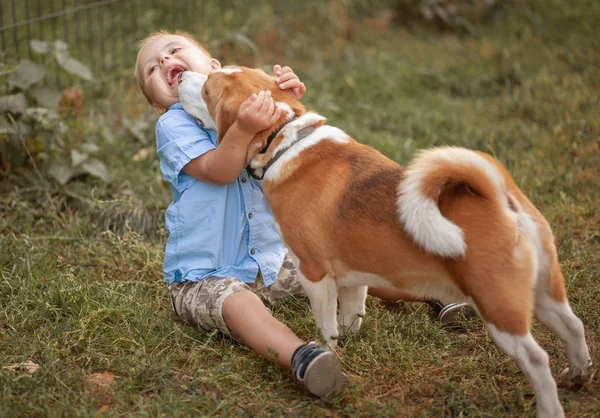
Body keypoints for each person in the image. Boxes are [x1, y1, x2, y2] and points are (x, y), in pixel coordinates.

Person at [135, 30, 471, 398]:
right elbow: (221, 169)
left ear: (215, 67)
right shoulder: (173, 125)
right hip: (206, 274)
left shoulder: (247, 99)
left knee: (344, 261)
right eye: (153, 67)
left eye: (174, 50)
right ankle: (303, 356)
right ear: (157, 105)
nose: (166, 62)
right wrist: (247, 126)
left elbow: (285, 142)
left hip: (271, 263)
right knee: (239, 304)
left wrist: (285, 102)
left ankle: (434, 293)